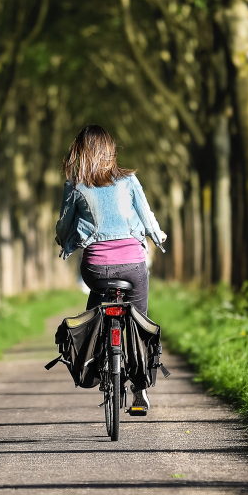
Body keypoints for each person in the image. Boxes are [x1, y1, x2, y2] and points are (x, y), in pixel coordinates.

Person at [55, 125, 166, 415]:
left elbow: (65, 224)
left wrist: (63, 241)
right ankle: (139, 387)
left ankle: (93, 357)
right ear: (110, 151)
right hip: (132, 264)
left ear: (80, 153)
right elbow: (145, 214)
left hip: (96, 267)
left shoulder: (75, 184)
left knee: (96, 308)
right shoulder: (128, 180)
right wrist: (157, 236)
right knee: (139, 320)